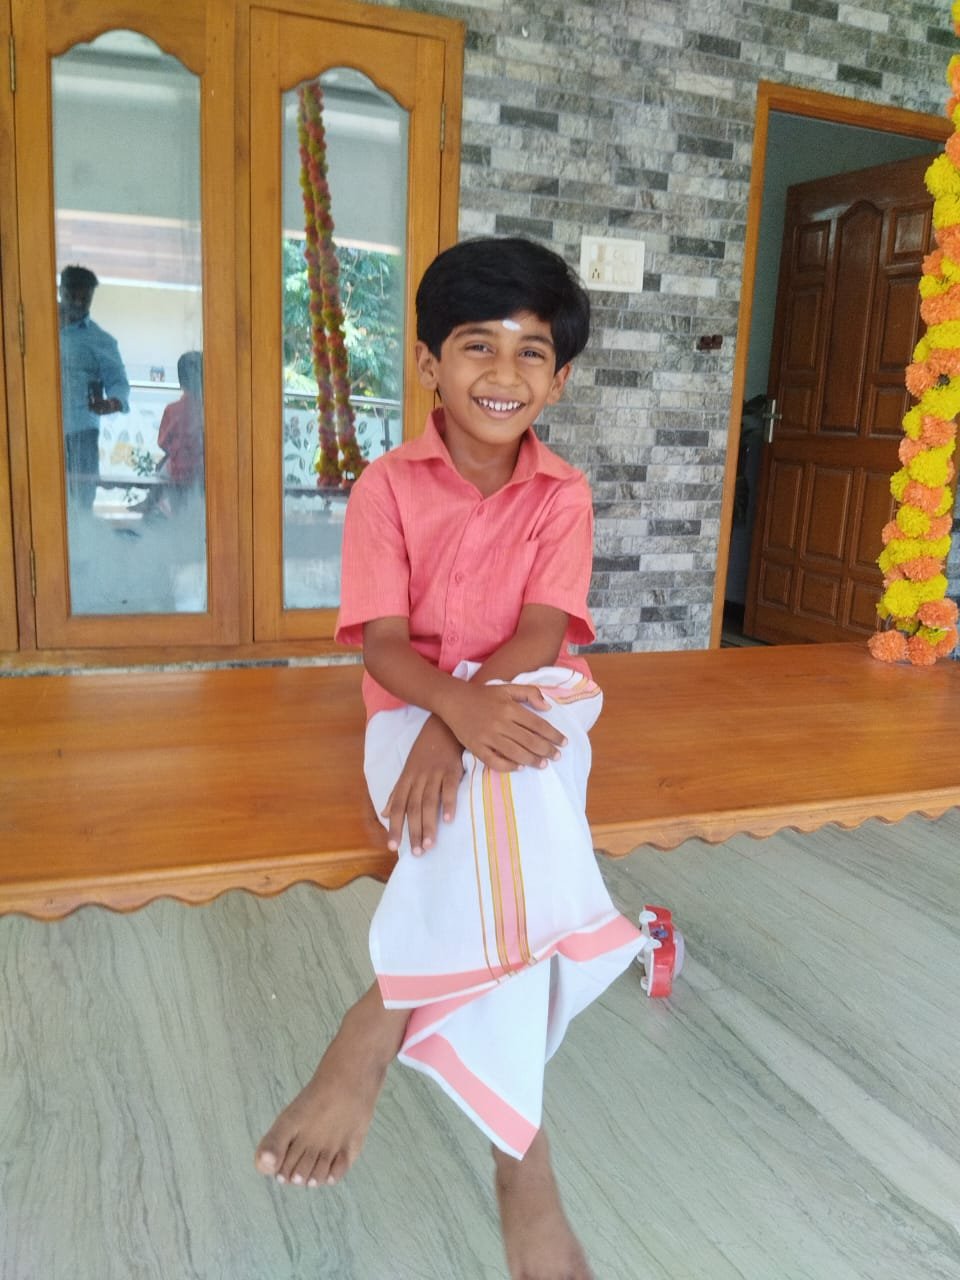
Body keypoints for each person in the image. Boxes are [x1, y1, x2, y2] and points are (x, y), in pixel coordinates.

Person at [254, 238, 643, 1280]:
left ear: (559, 380)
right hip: (408, 705)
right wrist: (442, 710)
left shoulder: (563, 494)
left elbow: (544, 633)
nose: (504, 373)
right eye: (478, 346)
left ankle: (380, 1013)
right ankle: (523, 1164)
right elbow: (383, 646)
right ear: (430, 361)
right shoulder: (386, 487)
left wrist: (461, 721)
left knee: (514, 787)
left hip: (529, 691)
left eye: (531, 352)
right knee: (508, 843)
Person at [58, 264, 130, 511]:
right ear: (60, 291)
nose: (78, 303)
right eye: (72, 296)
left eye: (85, 298)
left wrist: (113, 403)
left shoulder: (101, 340)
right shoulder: (36, 328)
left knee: (81, 502)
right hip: (37, 430)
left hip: (81, 431)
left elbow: (118, 382)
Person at [137, 351, 204, 517]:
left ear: (181, 381)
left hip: (178, 470)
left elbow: (163, 442)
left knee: (162, 472)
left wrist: (178, 450)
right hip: (203, 470)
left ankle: (150, 502)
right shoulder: (210, 409)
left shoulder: (172, 410)